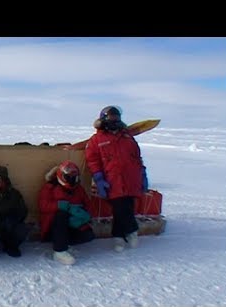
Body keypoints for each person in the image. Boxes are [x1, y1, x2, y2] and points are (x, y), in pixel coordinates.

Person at [85, 105, 148, 252]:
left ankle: (122, 235)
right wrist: (99, 178)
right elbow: (92, 160)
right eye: (111, 117)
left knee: (128, 206)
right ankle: (128, 232)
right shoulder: (96, 140)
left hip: (131, 178)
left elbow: (137, 158)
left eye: (116, 117)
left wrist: (143, 175)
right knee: (119, 208)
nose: (114, 120)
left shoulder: (127, 137)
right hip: (112, 180)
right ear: (104, 119)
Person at [38, 161, 95, 265]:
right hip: (54, 225)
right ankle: (59, 251)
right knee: (61, 215)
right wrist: (59, 205)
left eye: (74, 178)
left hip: (72, 223)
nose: (72, 180)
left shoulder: (79, 189)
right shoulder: (50, 187)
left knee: (89, 235)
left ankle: (66, 243)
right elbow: (43, 206)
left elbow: (88, 205)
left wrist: (84, 215)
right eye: (68, 177)